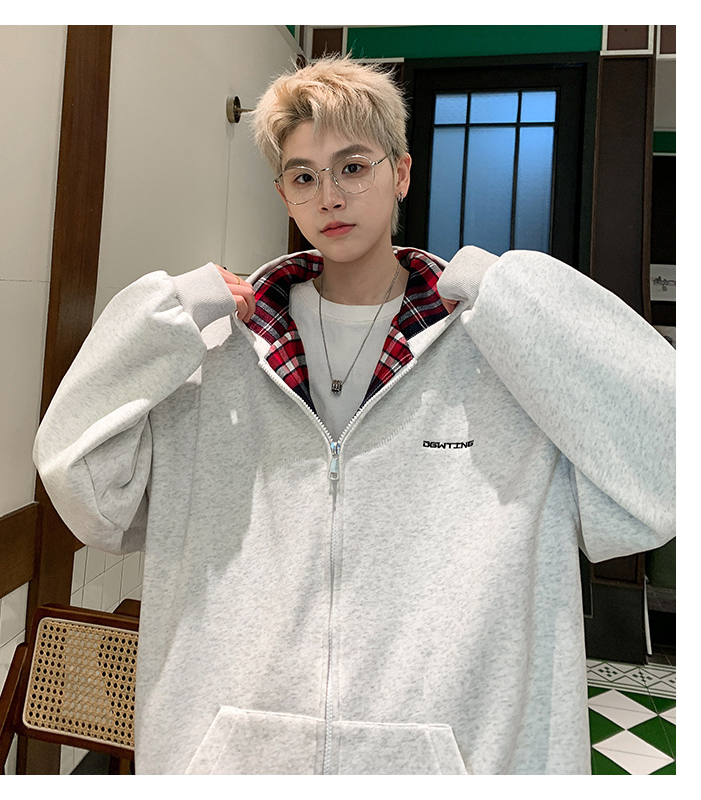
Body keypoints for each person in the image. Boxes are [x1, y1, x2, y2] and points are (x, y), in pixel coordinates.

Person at [33, 56, 676, 774]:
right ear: (284, 194)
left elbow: (663, 467)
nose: (330, 196)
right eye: (304, 176)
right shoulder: (214, 352)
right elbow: (88, 492)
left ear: (400, 173)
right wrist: (162, 318)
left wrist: (511, 291)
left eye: (353, 167)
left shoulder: (499, 357)